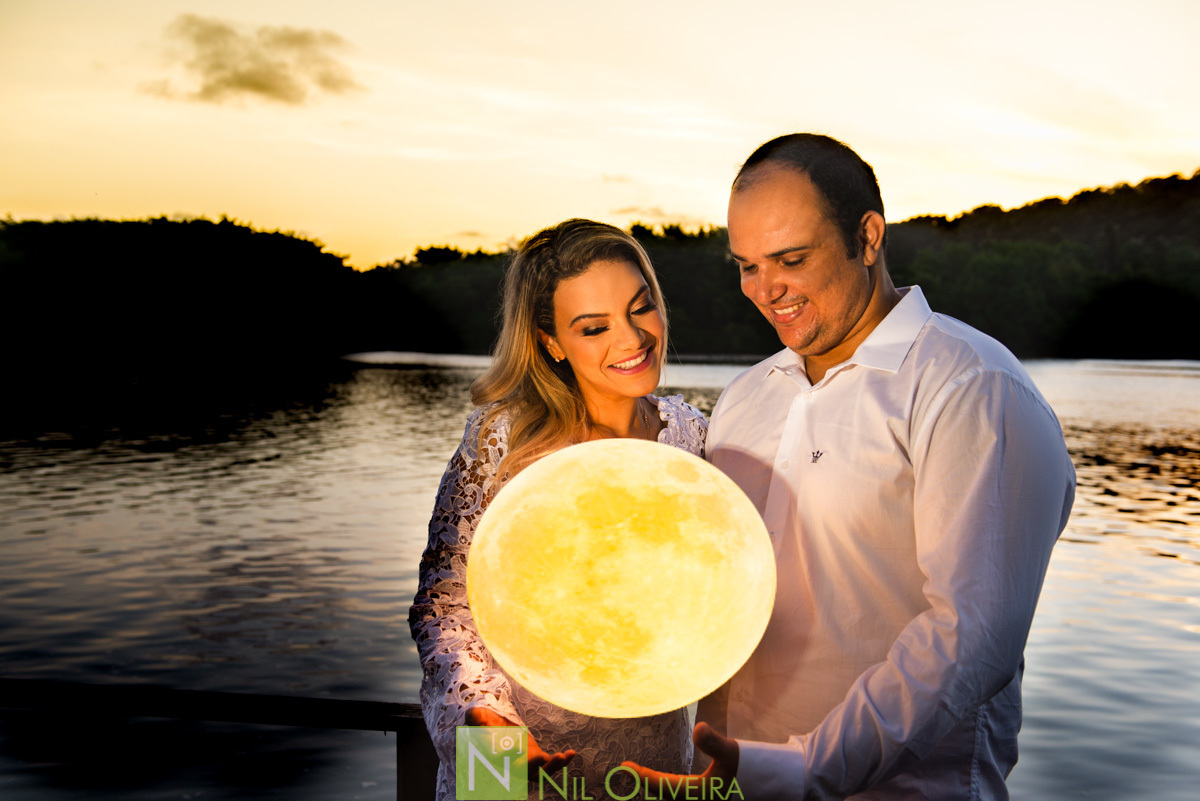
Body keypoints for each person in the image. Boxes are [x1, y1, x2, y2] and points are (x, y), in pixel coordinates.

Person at [624, 134, 1076, 799]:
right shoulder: (745, 396)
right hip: (725, 780)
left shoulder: (972, 387)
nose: (766, 289)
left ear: (866, 238)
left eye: (791, 259)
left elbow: (970, 639)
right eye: (747, 265)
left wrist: (803, 769)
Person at [409, 218, 707, 800]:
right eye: (594, 328)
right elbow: (444, 606)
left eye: (641, 308)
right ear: (551, 342)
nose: (632, 338)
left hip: (646, 761)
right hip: (508, 755)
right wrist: (484, 720)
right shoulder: (502, 441)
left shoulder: (690, 438)